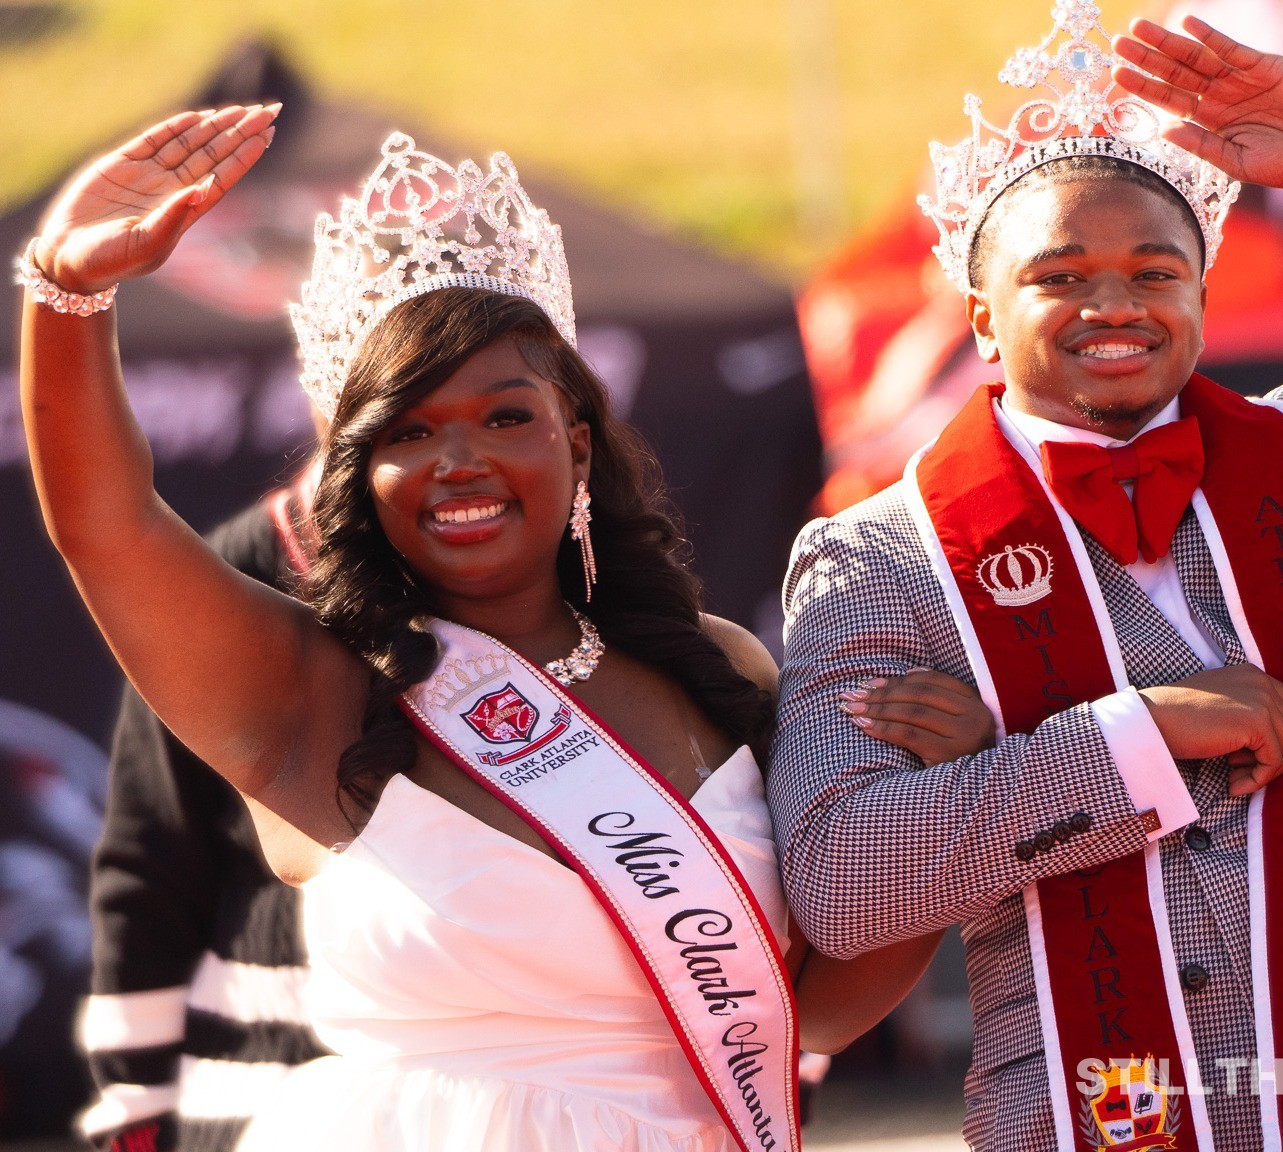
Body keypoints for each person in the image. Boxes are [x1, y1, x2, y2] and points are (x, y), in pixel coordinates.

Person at [16, 109, 944, 1151]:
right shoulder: (310, 691)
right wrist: (67, 288)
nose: (459, 460)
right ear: (359, 478)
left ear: (578, 449)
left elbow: (815, 1008)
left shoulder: (714, 666)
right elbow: (107, 528)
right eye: (409, 432)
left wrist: (939, 808)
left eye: (506, 418)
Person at [769, 5, 1283, 1151]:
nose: (1114, 304)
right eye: (1059, 274)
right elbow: (845, 880)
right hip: (1105, 1105)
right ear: (979, 315)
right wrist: (1134, 737)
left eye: (1152, 270)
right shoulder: (880, 557)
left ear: (1199, 294)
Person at [77, 464, 328, 1152]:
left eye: (502, 417)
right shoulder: (239, 566)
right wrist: (137, 1108)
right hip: (266, 1094)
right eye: (414, 425)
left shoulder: (600, 578)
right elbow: (152, 856)